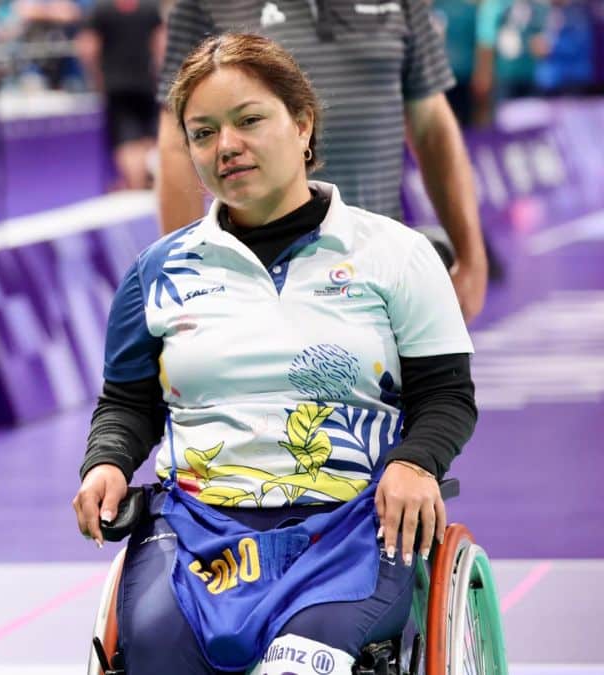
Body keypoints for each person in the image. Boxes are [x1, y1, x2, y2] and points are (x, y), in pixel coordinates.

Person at [72, 33, 477, 674]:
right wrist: (108, 462)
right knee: (154, 656)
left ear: (302, 123)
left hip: (350, 525)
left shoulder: (395, 255)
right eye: (202, 133)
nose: (225, 145)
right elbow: (126, 403)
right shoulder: (156, 271)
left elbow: (447, 396)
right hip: (195, 528)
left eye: (249, 120)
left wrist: (416, 463)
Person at [155, 0, 489, 322]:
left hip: (381, 274)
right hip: (258, 285)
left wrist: (471, 257)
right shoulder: (199, 4)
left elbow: (431, 124)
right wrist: (187, 278)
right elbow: (177, 141)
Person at [76, 0, 165, 190]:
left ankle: (136, 186)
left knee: (126, 139)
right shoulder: (149, 7)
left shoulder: (101, 9)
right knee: (147, 136)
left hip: (115, 84)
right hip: (146, 83)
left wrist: (95, 77)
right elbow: (161, 44)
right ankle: (147, 184)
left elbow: (88, 48)